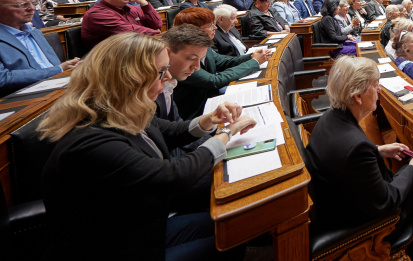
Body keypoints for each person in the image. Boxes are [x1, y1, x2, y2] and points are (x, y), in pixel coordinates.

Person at [39, 32, 255, 260]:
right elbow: (174, 177)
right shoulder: (90, 142)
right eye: (161, 71)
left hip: (144, 229)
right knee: (232, 239)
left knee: (237, 222)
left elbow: (171, 131)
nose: (168, 76)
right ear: (129, 79)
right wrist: (226, 133)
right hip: (116, 248)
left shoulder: (123, 108)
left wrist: (211, 119)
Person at [304, 56, 413, 261]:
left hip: (337, 200)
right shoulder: (356, 147)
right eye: (375, 85)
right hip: (361, 224)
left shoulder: (329, 117)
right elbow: (387, 201)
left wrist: (379, 149)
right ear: (358, 97)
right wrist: (411, 169)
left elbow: (344, 153)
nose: (379, 90)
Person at [169, 12, 270, 119]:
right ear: (194, 30)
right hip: (195, 113)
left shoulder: (205, 48)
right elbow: (214, 81)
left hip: (212, 102)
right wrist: (254, 62)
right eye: (210, 25)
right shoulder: (181, 58)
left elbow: (224, 62)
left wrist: (252, 56)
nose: (215, 28)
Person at [0, 0, 80, 96]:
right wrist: (59, 69)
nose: (32, 8)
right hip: (24, 98)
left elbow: (52, 66)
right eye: (23, 5)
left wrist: (69, 66)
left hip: (59, 87)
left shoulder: (34, 32)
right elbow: (3, 79)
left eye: (33, 3)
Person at [81, 0, 163, 50]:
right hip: (108, 60)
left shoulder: (134, 9)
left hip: (136, 51)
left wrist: (144, 3)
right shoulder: (96, 14)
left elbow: (157, 24)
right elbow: (129, 32)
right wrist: (155, 32)